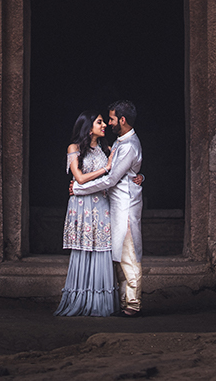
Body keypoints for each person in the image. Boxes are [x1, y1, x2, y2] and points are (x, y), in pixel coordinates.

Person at [71, 100, 143, 316]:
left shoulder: (129, 145)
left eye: (111, 119)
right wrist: (138, 176)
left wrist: (79, 189)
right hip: (112, 206)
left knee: (129, 255)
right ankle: (123, 302)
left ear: (122, 120)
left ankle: (132, 305)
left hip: (125, 207)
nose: (108, 123)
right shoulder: (120, 141)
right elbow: (128, 172)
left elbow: (111, 179)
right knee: (119, 256)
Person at [54, 110, 119, 316]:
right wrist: (105, 169)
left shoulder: (106, 148)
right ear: (88, 126)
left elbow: (124, 170)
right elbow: (79, 179)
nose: (104, 125)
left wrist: (140, 177)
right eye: (100, 122)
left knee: (102, 248)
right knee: (84, 249)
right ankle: (80, 298)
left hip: (101, 204)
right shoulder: (74, 148)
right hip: (82, 205)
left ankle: (100, 303)